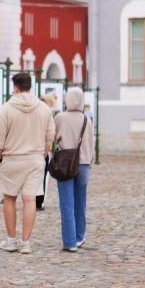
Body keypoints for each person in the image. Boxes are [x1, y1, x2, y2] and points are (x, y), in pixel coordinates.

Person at [0, 72, 55, 255]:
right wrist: (43, 152)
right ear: (30, 86)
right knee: (30, 200)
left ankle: (11, 240)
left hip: (12, 158)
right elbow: (50, 136)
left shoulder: (6, 109)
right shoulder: (44, 108)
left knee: (10, 198)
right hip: (35, 159)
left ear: (16, 87)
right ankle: (26, 242)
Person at [53, 87, 95, 252]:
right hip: (83, 164)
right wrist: (89, 162)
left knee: (66, 203)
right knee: (80, 202)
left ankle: (69, 242)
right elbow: (91, 143)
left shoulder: (60, 118)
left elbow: (53, 137)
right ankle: (80, 236)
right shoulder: (87, 120)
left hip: (64, 163)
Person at [36, 93, 59, 211]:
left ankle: (32, 200)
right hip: (42, 150)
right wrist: (47, 150)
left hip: (32, 149)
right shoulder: (47, 115)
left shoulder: (33, 114)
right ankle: (38, 202)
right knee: (42, 177)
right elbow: (50, 135)